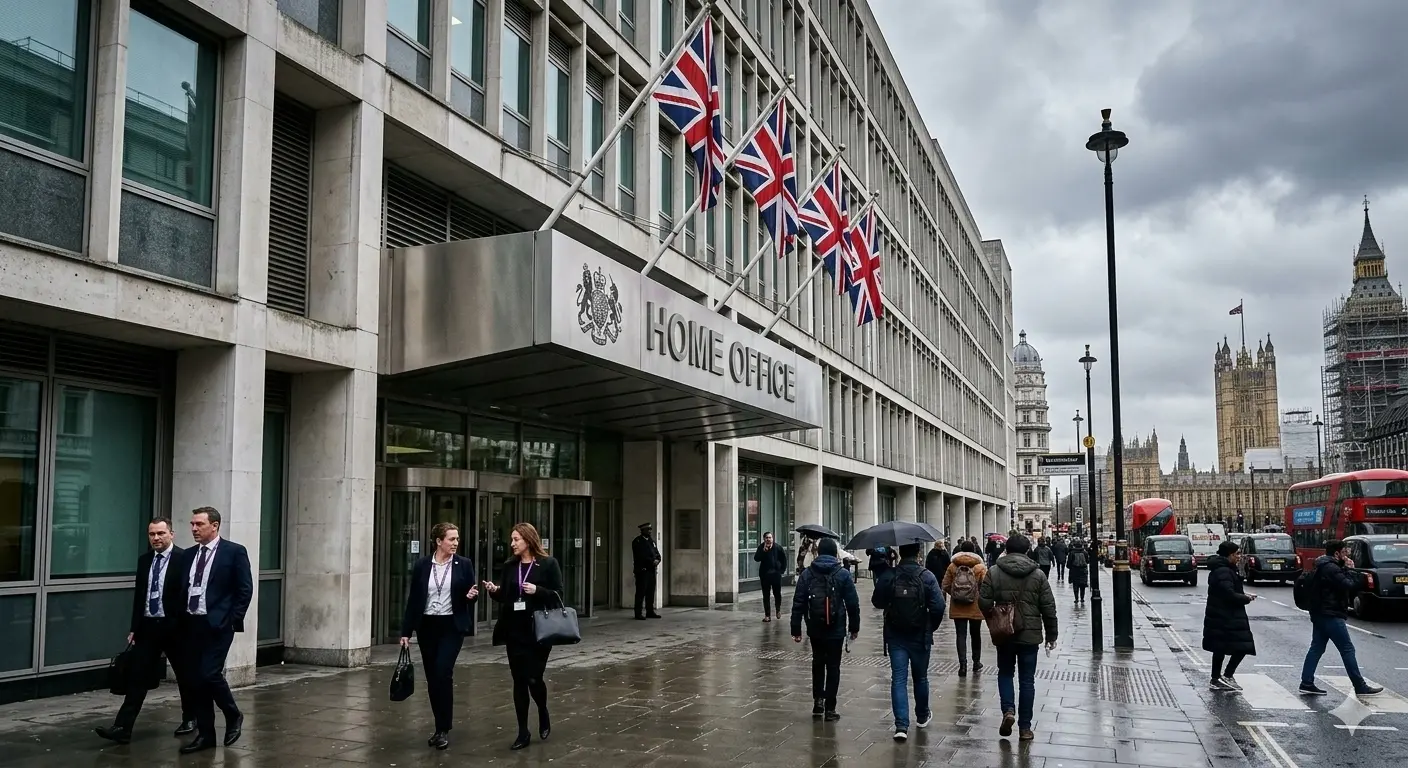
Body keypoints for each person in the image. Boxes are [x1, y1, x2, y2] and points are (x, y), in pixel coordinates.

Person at [95, 517, 195, 744]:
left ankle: (191, 718)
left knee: (185, 675)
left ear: (172, 534)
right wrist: (134, 627)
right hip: (149, 627)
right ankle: (122, 727)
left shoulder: (184, 559)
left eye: (161, 533)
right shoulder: (144, 560)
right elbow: (140, 596)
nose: (156, 538)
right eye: (152, 534)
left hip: (175, 629)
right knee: (137, 678)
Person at [177, 507, 253, 754]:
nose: (194, 529)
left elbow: (244, 589)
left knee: (209, 674)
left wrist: (232, 619)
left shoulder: (234, 552)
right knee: (196, 681)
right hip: (192, 623)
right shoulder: (188, 555)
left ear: (215, 525)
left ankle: (233, 714)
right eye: (192, 524)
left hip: (218, 625)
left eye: (199, 524)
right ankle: (206, 735)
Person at [484, 523, 566, 750]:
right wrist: (494, 591)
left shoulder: (548, 564)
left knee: (534, 678)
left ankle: (542, 709)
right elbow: (507, 596)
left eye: (516, 539)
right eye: (512, 539)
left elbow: (559, 595)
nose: (512, 544)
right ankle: (523, 731)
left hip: (539, 630)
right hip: (515, 630)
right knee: (519, 680)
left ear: (528, 540)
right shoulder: (511, 565)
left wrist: (538, 591)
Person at [399, 522, 479, 750]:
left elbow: (469, 596)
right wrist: (406, 631)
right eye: (451, 539)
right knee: (433, 677)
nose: (455, 543)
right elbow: (414, 599)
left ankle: (444, 728)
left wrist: (471, 595)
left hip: (451, 626)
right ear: (438, 541)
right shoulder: (423, 565)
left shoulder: (464, 564)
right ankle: (438, 726)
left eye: (457, 539)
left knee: (443, 671)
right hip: (427, 626)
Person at [979, 534, 1057, 741]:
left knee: (1005, 673)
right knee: (1027, 681)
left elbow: (984, 603)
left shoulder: (994, 572)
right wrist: (1052, 635)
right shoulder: (1038, 575)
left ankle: (1008, 711)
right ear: (1027, 550)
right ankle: (1025, 728)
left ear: (1006, 549)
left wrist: (996, 615)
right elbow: (1049, 607)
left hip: (1005, 633)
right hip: (1030, 635)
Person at [872, 543, 945, 742]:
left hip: (896, 635)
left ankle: (901, 725)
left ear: (900, 553)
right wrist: (931, 627)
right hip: (920, 636)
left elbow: (876, 602)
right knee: (920, 678)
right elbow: (939, 607)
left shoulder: (889, 574)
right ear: (918, 553)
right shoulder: (927, 576)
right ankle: (922, 716)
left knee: (899, 679)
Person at [1299, 539, 1384, 696]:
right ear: (1337, 553)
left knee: (1317, 647)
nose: (1347, 555)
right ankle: (1359, 685)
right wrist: (1351, 569)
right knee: (1347, 649)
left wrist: (1344, 568)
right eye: (1345, 552)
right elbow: (1348, 585)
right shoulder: (1332, 568)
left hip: (1320, 613)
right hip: (1331, 614)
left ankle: (1306, 682)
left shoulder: (1322, 565)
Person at [790, 537, 860, 721]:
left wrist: (796, 629)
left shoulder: (808, 573)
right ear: (835, 553)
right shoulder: (842, 573)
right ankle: (830, 708)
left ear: (819, 552)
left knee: (818, 663)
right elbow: (852, 603)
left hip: (815, 627)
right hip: (836, 627)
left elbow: (798, 602)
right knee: (834, 666)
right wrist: (854, 627)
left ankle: (818, 702)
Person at [1202, 540, 1255, 692]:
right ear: (1229, 555)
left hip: (1222, 614)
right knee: (1242, 646)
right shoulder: (1224, 571)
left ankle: (1217, 678)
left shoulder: (1224, 569)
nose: (1239, 556)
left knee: (1220, 647)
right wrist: (1245, 598)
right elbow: (1228, 594)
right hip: (1226, 615)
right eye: (1237, 554)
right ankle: (1225, 676)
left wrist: (1244, 594)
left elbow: (1228, 590)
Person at [942, 540, 987, 677]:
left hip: (958, 607)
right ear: (974, 550)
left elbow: (945, 585)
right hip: (975, 606)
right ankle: (976, 662)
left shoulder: (953, 566)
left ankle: (962, 665)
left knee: (960, 635)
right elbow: (985, 587)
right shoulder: (980, 567)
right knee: (975, 635)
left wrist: (956, 595)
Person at [753, 531, 788, 622]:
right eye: (766, 538)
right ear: (764, 539)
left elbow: (784, 559)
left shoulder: (778, 548)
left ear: (772, 538)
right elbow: (756, 558)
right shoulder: (761, 547)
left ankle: (778, 610)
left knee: (777, 594)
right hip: (765, 575)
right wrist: (763, 551)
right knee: (766, 595)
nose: (768, 539)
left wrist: (781, 571)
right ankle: (767, 615)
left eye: (770, 537)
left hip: (776, 574)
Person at [632, 522, 661, 620]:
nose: (650, 531)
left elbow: (657, 553)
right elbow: (641, 556)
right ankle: (638, 613)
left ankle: (650, 611)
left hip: (651, 570)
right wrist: (652, 561)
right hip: (642, 571)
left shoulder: (651, 541)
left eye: (650, 529)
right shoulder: (638, 541)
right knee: (641, 592)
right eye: (648, 529)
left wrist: (657, 560)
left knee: (650, 591)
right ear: (642, 530)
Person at [1067, 540, 1090, 605]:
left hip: (1075, 570)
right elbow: (1087, 561)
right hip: (1083, 571)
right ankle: (1082, 598)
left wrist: (1070, 567)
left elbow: (1069, 563)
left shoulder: (1072, 553)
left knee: (1075, 585)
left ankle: (1076, 598)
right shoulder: (1085, 552)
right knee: (1082, 585)